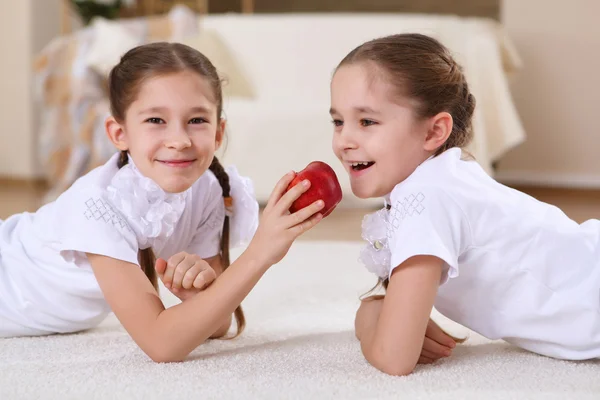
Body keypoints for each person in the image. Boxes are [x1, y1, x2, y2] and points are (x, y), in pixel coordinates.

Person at [0, 43, 325, 363]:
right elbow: (162, 344)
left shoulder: (207, 190)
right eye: (156, 120)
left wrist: (200, 294)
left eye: (197, 120)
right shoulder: (97, 206)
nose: (179, 140)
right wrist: (259, 253)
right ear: (118, 133)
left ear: (218, 132)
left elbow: (216, 323)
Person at [329, 33, 600, 375]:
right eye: (338, 121)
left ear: (433, 132)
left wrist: (368, 316)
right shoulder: (443, 179)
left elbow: (393, 358)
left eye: (366, 121)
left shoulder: (426, 197)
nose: (343, 141)